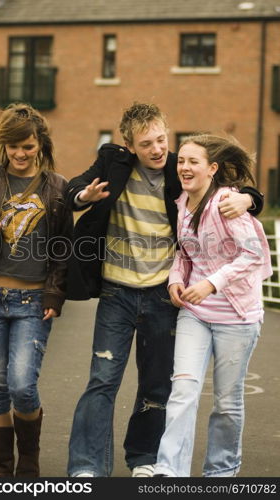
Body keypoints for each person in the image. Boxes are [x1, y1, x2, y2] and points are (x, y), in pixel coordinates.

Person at [65, 102, 264, 478]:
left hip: (162, 293)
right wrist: (84, 197)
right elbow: (75, 187)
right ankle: (88, 467)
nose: (156, 150)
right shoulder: (112, 161)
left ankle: (144, 459)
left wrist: (250, 199)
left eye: (161, 140)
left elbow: (232, 178)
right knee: (102, 379)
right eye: (146, 144)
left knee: (156, 383)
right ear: (129, 145)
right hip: (116, 293)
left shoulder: (181, 167)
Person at [0, 103, 73, 478]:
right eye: (13, 146)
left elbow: (62, 249)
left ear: (40, 144)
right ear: (4, 145)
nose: (20, 154)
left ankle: (29, 461)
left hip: (32, 302)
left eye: (27, 146)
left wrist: (55, 296)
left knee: (22, 385)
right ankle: (1, 472)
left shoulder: (56, 187)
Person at [153, 134, 272, 478]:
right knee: (183, 389)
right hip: (196, 313)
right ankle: (169, 470)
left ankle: (221, 473)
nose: (185, 168)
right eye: (182, 162)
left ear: (212, 168)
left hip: (237, 316)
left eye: (193, 162)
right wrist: (177, 279)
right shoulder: (181, 204)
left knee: (226, 402)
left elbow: (254, 253)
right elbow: (185, 253)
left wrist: (211, 283)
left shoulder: (227, 202)